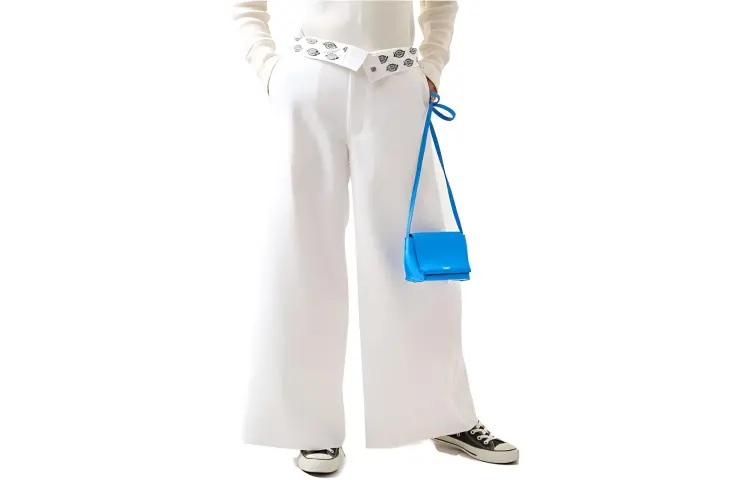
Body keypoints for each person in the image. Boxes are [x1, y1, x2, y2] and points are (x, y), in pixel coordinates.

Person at [232, 0, 519, 474]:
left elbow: (440, 3)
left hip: (397, 83)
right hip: (310, 81)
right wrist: (268, 68)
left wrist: (432, 65)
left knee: (414, 259)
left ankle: (444, 415)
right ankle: (309, 428)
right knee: (302, 256)